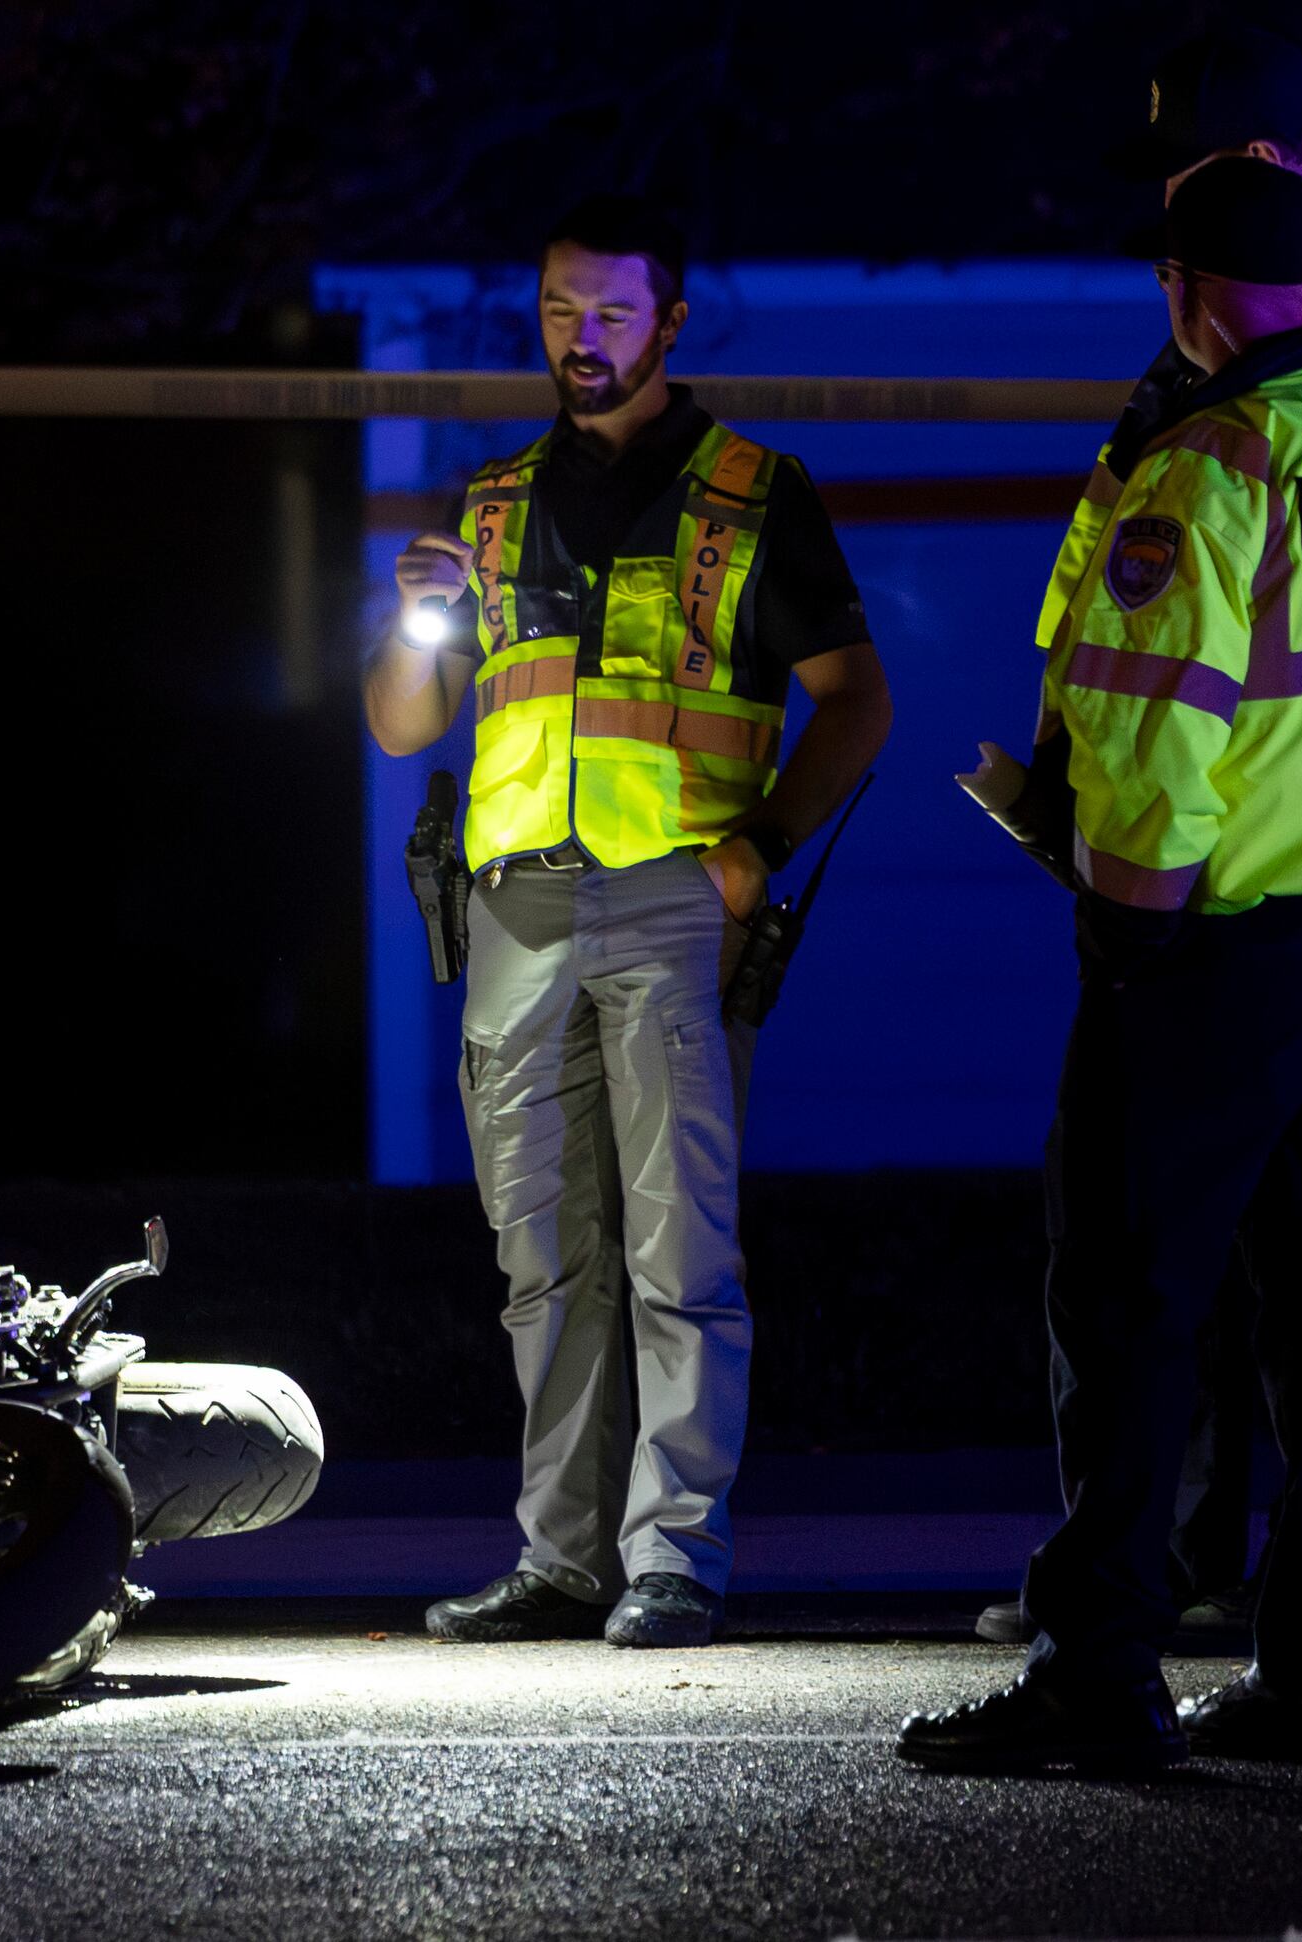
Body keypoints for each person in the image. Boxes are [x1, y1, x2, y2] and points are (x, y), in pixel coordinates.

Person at [900, 160, 1302, 1771]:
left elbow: (1153, 731)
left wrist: (1127, 922)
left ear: (1187, 294)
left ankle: (1097, 1673)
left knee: (1125, 1299)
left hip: (1213, 952)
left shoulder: (1214, 461)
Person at [982, 22, 1302, 1650]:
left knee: (1152, 1266)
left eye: (1189, 180)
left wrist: (1136, 889)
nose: (1170, 222)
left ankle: (1129, 1628)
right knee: (1296, 1279)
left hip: (1246, 885)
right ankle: (1289, 1637)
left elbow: (1248, 610)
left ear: (1264, 170)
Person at [366, 195, 892, 1650]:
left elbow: (859, 699)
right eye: (557, 309)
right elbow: (406, 723)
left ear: (669, 322)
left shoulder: (753, 490)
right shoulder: (487, 505)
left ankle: (675, 1555)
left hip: (673, 898)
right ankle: (561, 1558)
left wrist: (760, 849)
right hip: (515, 907)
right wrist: (409, 616)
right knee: (540, 1250)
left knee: (680, 1249)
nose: (578, 338)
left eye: (608, 312)